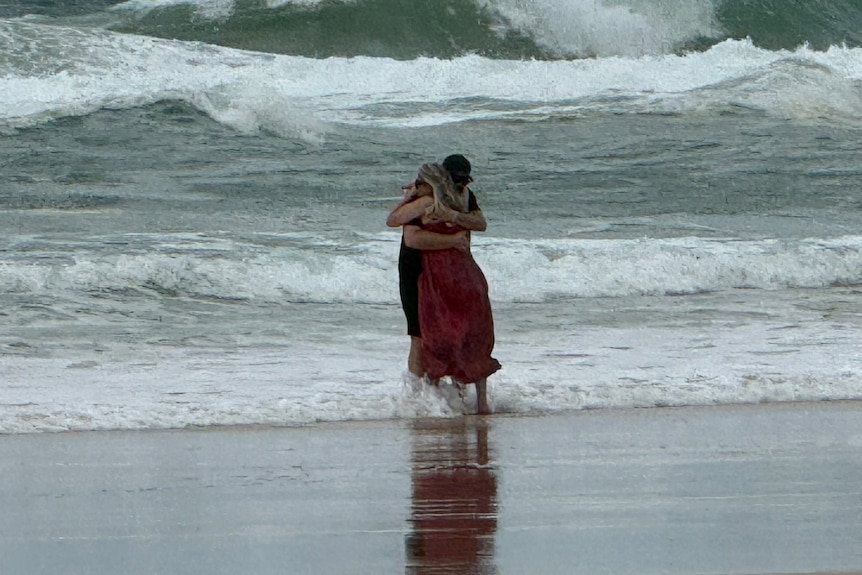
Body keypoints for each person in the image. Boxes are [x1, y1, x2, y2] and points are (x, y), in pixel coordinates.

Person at [388, 156, 500, 414]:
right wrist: (453, 238)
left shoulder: (455, 198)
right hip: (420, 271)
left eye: (464, 181)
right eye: (456, 180)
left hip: (448, 273)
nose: (461, 185)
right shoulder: (430, 200)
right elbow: (410, 237)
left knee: (448, 333)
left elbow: (480, 223)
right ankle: (428, 399)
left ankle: (437, 400)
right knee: (428, 335)